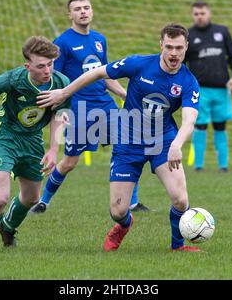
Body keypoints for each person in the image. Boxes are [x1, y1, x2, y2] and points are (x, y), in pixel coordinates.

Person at [36, 23, 202, 252]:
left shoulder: (188, 81)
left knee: (181, 200)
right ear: (161, 45)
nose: (174, 53)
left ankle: (177, 246)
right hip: (128, 140)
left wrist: (176, 144)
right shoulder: (139, 64)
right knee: (118, 211)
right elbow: (97, 72)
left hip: (163, 141)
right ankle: (124, 225)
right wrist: (64, 93)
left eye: (179, 48)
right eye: (170, 47)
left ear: (186, 48)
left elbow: (189, 120)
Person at [30, 0, 149, 214]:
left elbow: (105, 75)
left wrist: (125, 95)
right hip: (79, 110)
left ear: (92, 11)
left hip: (106, 105)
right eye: (77, 9)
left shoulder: (99, 40)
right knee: (69, 162)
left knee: (128, 148)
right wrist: (56, 106)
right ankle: (43, 201)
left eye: (86, 7)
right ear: (70, 15)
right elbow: (54, 77)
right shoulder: (63, 43)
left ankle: (132, 202)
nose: (83, 12)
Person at [0, 36, 70, 251]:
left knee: (32, 198)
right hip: (5, 137)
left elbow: (59, 115)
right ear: (27, 66)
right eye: (40, 66)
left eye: (50, 64)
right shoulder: (12, 80)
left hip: (33, 141)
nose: (47, 70)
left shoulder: (61, 83)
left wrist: (54, 149)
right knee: (0, 198)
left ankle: (7, 228)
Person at [185, 0, 232, 172]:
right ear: (192, 15)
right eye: (196, 14)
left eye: (202, 13)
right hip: (200, 90)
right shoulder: (188, 34)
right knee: (200, 126)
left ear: (209, 13)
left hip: (222, 90)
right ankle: (198, 166)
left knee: (220, 126)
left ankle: (223, 166)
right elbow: (181, 61)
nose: (199, 17)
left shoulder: (222, 31)